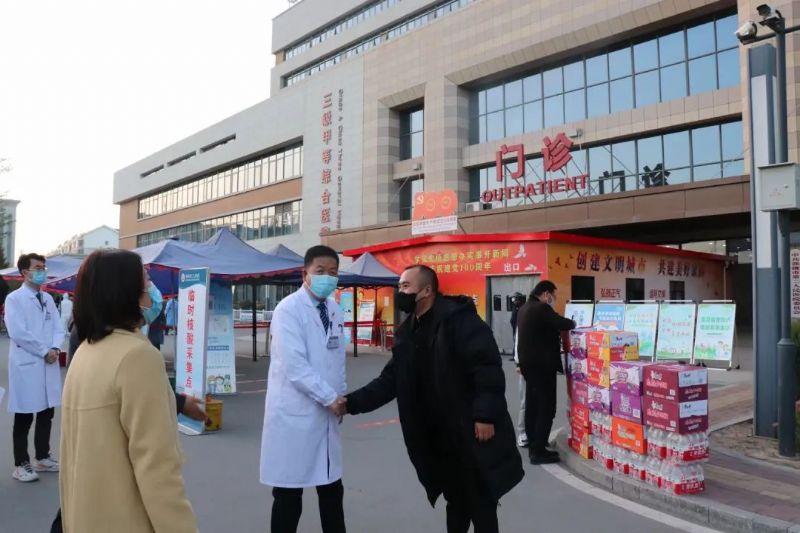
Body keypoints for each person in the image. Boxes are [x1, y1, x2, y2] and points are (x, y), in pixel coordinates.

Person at [345, 265, 523, 533]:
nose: (400, 291)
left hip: (469, 429)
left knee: (481, 500)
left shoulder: (460, 321)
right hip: (439, 436)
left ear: (426, 290)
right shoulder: (408, 331)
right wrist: (350, 403)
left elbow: (486, 369)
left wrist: (484, 416)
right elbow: (389, 381)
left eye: (406, 286)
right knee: (456, 500)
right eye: (400, 286)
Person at [58, 249, 197, 532]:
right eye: (145, 282)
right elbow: (157, 466)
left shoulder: (87, 350)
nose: (151, 291)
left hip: (86, 516)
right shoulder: (137, 356)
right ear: (125, 291)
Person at [260, 245, 347, 533]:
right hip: (294, 415)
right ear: (305, 274)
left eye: (333, 272)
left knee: (331, 489)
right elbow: (294, 366)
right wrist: (329, 397)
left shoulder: (334, 310)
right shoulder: (288, 309)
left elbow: (337, 359)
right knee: (289, 494)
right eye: (320, 271)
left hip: (327, 412)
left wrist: (340, 396)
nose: (327, 277)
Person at [4, 253, 64, 483]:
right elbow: (18, 332)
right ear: (25, 272)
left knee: (47, 412)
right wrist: (44, 351)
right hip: (28, 363)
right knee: (25, 414)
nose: (42, 271)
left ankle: (42, 456)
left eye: (43, 267)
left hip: (48, 360)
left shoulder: (47, 298)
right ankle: (21, 464)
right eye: (37, 268)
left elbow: (58, 327)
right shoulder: (14, 299)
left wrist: (55, 348)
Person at [516, 280, 576, 465]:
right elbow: (564, 323)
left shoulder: (525, 308)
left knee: (533, 408)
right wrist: (576, 321)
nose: (553, 299)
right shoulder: (541, 309)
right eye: (553, 295)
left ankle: (535, 445)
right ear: (546, 294)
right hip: (542, 368)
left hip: (529, 368)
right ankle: (538, 452)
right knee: (545, 409)